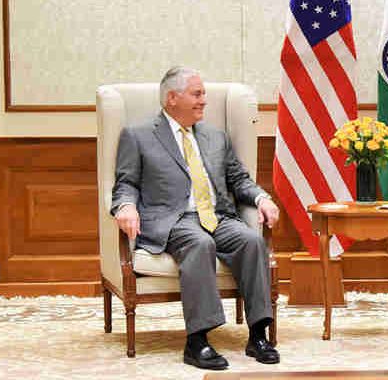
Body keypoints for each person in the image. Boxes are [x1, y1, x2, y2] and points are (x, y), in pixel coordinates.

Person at [111, 66, 281, 370]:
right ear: (172, 98)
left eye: (204, 94)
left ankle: (258, 335)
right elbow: (126, 183)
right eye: (197, 94)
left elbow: (239, 179)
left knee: (252, 241)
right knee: (199, 243)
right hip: (175, 219)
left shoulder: (216, 136)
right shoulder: (138, 135)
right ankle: (197, 341)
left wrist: (261, 197)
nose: (204, 100)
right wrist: (125, 206)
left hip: (219, 216)